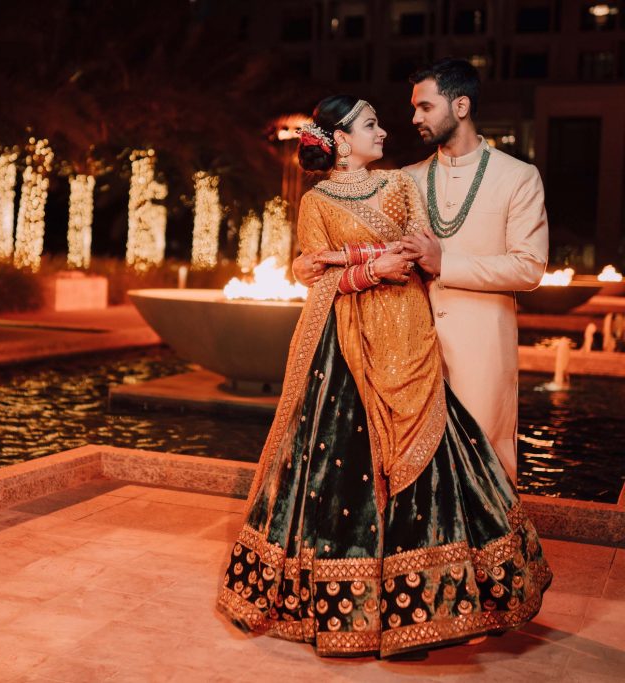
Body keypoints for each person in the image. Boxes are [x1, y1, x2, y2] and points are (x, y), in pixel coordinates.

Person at [217, 95, 550, 658]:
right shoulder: (318, 200)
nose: (385, 131)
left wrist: (383, 260)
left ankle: (425, 603)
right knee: (341, 467)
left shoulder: (400, 185)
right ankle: (353, 606)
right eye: (371, 124)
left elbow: (422, 248)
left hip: (408, 333)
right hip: (345, 343)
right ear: (341, 140)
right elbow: (307, 269)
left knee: (435, 454)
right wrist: (368, 268)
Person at [293, 58, 548, 484]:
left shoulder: (516, 177)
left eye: (425, 107)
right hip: (401, 347)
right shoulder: (403, 180)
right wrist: (317, 264)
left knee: (483, 473)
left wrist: (445, 263)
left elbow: (530, 267)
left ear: (461, 106)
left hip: (480, 349)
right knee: (415, 484)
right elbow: (343, 241)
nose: (413, 118)